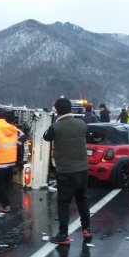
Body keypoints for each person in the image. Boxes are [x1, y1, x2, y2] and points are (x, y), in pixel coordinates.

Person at [43, 98, 91, 245]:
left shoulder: (56, 127)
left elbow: (46, 137)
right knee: (82, 199)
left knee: (63, 203)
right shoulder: (82, 124)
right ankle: (86, 229)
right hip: (82, 169)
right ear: (71, 109)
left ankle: (63, 235)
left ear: (56, 110)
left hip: (65, 171)